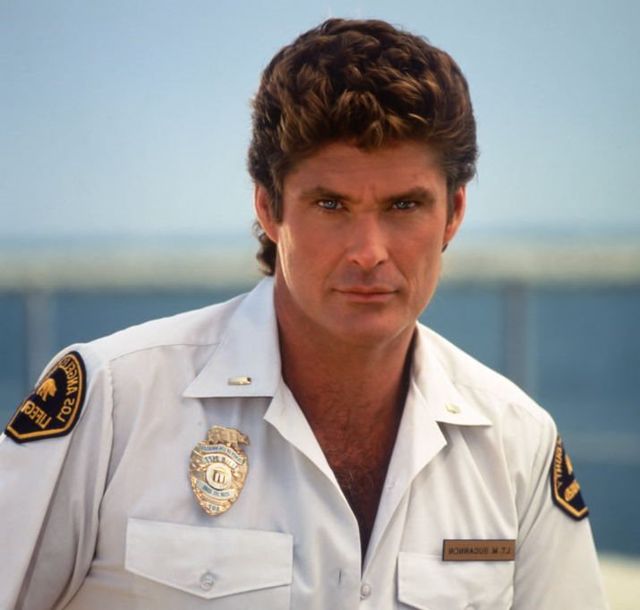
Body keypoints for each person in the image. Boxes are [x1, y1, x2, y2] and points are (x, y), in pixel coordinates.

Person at [0, 18, 608, 610]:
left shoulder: (517, 443)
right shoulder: (116, 401)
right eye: (331, 205)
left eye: (404, 206)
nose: (369, 252)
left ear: (454, 214)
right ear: (269, 208)